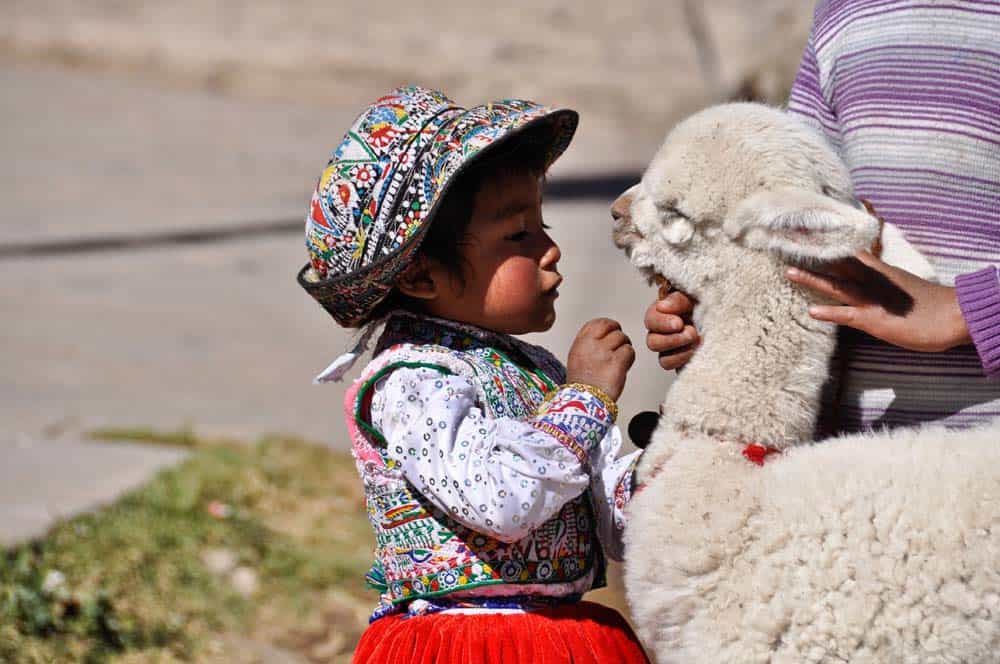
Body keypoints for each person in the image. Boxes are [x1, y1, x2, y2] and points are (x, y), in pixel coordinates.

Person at [297, 86, 649, 663]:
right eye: (517, 235)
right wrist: (585, 398)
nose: (550, 250)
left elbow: (616, 526)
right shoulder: (410, 379)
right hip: (467, 645)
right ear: (420, 277)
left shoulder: (538, 373)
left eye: (543, 224)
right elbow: (502, 501)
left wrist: (685, 441)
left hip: (570, 642)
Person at [644, 0, 1000, 433]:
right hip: (847, 463)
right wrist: (726, 312)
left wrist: (968, 312)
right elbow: (791, 211)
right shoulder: (845, 14)